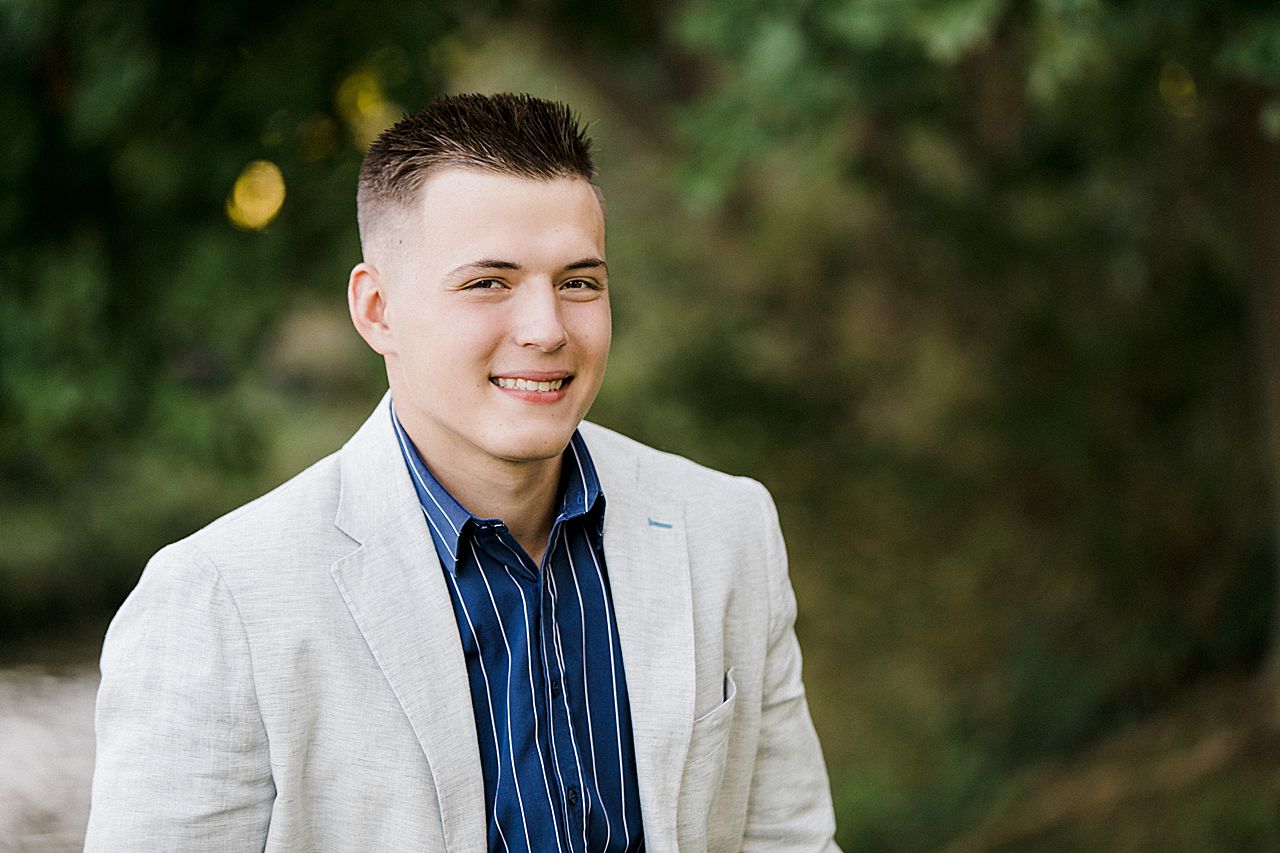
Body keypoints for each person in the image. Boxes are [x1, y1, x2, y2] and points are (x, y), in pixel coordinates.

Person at [85, 92, 838, 852]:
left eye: (579, 281)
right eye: (489, 283)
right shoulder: (221, 600)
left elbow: (789, 840)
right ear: (378, 309)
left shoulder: (726, 528)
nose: (547, 329)